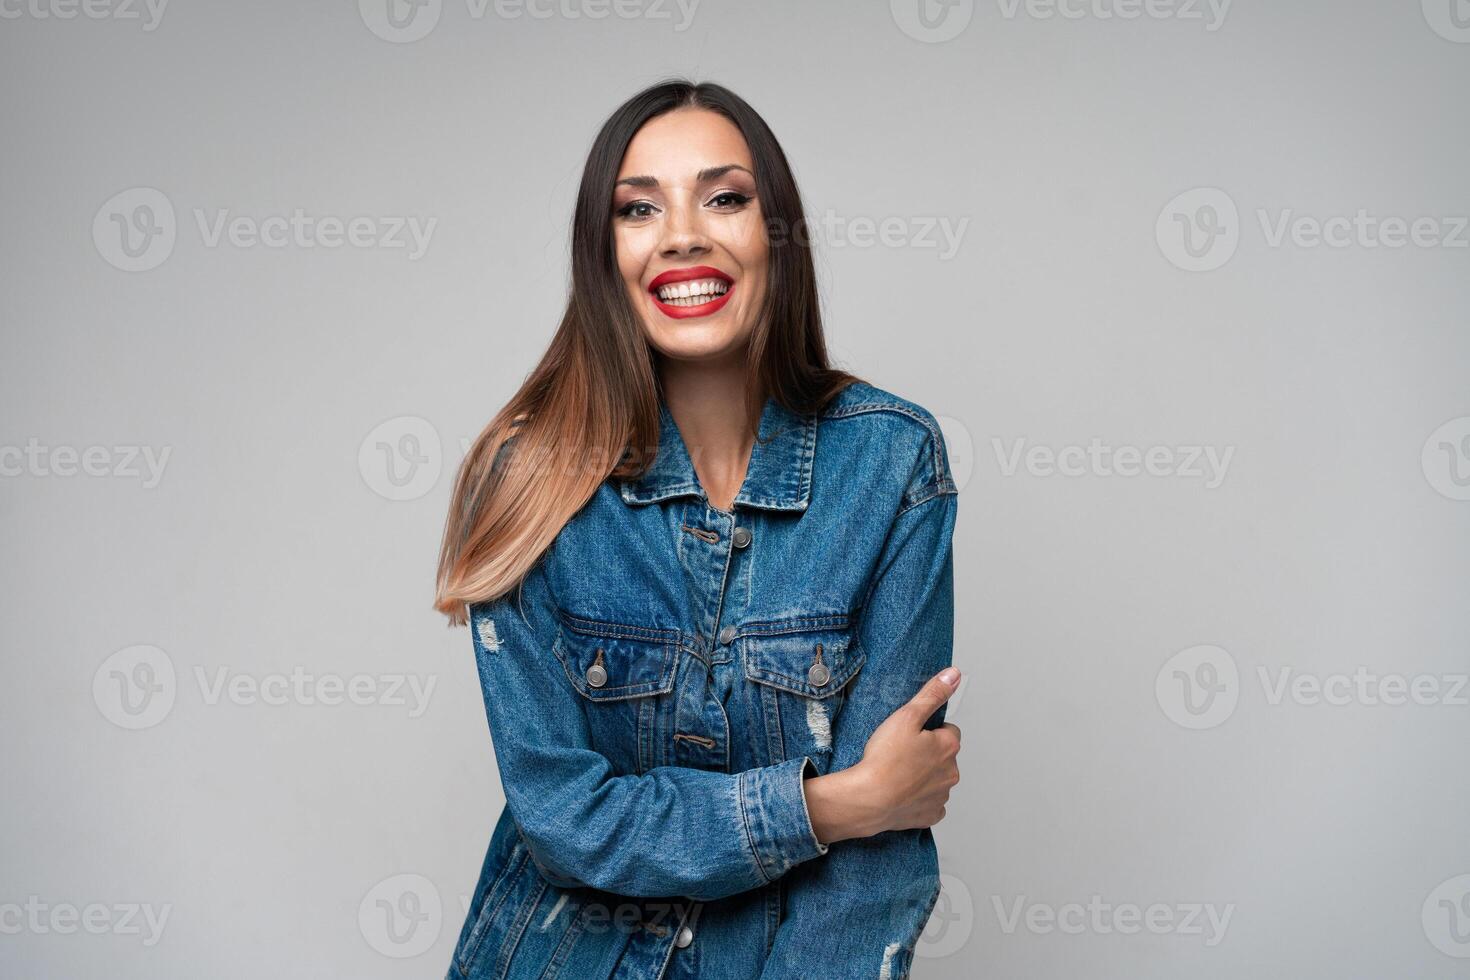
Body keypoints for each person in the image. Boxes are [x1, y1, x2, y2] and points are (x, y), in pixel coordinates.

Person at [435, 78, 962, 980]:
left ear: (777, 235)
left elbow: (884, 849)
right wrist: (831, 806)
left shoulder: (890, 464)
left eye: (724, 198)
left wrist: (871, 807)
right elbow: (567, 822)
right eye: (638, 209)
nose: (682, 232)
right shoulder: (524, 480)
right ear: (605, 255)